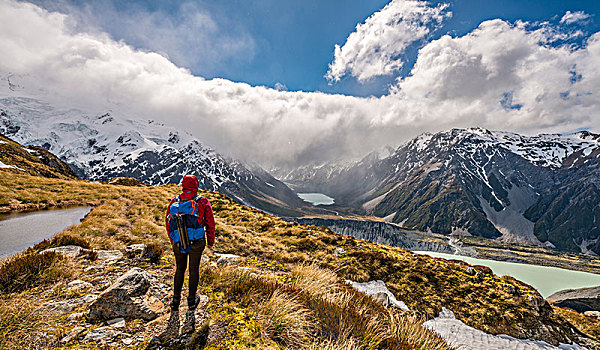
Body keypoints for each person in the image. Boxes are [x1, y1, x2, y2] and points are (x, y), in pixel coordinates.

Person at [162, 175, 215, 338]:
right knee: (193, 270)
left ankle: (175, 302)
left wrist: (173, 240)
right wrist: (210, 241)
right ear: (196, 185)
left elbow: (167, 222)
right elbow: (210, 222)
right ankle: (191, 301)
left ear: (183, 185)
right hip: (197, 242)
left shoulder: (174, 201)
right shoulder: (202, 201)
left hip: (179, 242)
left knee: (180, 269)